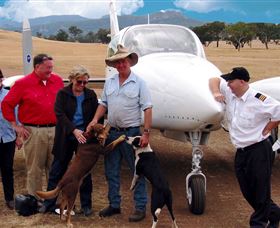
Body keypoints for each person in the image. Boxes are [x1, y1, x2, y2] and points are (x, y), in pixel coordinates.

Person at [86, 44, 152, 222]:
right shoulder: (110, 82)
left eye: (124, 61)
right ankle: (114, 204)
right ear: (115, 65)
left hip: (131, 134)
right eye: (118, 62)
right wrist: (94, 120)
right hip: (111, 133)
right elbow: (104, 104)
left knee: (136, 171)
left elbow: (147, 108)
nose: (121, 65)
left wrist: (146, 133)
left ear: (129, 62)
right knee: (111, 170)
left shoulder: (140, 83)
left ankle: (140, 207)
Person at [209, 67, 280, 228]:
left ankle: (258, 223)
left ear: (242, 82)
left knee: (261, 191)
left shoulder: (259, 99)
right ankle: (274, 214)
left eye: (231, 81)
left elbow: (279, 111)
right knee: (248, 191)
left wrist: (269, 128)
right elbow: (213, 80)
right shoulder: (231, 94)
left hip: (259, 150)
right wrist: (215, 93)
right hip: (241, 151)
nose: (228, 85)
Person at [39, 65, 101, 216]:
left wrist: (91, 130)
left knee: (84, 172)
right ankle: (48, 204)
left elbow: (97, 117)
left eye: (85, 82)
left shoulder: (91, 95)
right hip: (67, 136)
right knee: (57, 169)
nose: (82, 85)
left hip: (85, 138)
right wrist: (74, 129)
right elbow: (59, 114)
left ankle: (86, 206)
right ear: (72, 79)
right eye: (79, 82)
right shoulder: (63, 94)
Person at [1, 54, 64, 197]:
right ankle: (35, 200)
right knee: (35, 169)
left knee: (55, 166)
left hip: (55, 130)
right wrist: (15, 125)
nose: (50, 71)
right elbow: (7, 104)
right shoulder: (23, 84)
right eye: (48, 68)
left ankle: (53, 199)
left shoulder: (57, 81)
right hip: (34, 131)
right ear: (37, 67)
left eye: (52, 67)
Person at [0, 70, 22, 209]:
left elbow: (17, 117)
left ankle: (9, 198)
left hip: (8, 139)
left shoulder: (9, 96)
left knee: (7, 169)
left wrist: (19, 137)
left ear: (1, 79)